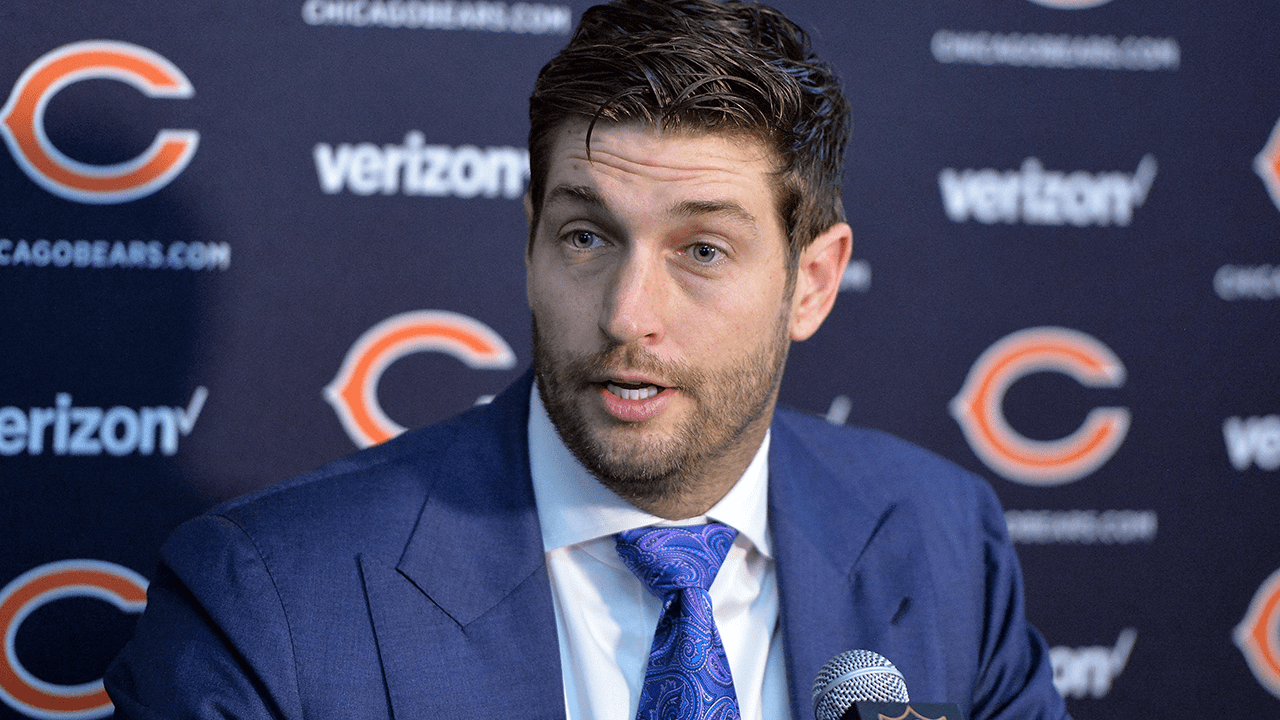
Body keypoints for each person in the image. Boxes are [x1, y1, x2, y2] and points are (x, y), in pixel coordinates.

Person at [106, 1, 1070, 719]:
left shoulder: (946, 544)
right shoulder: (267, 598)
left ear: (812, 284)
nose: (625, 313)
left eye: (702, 249)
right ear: (530, 241)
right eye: (585, 237)